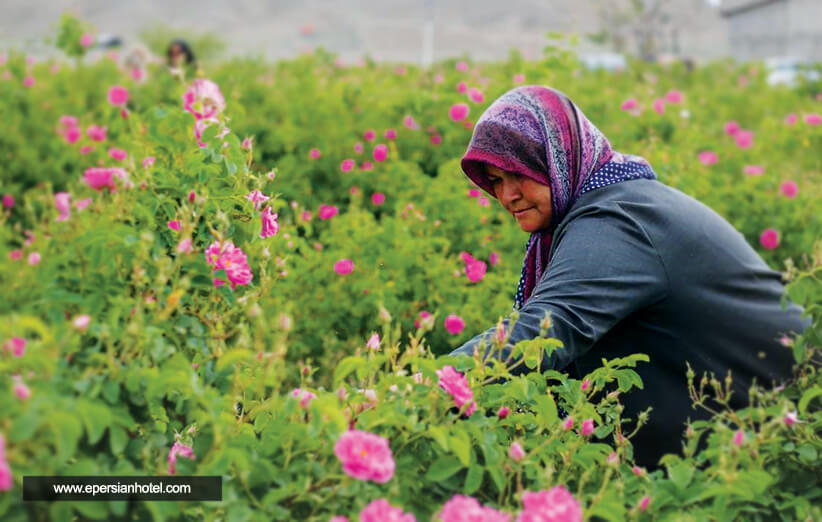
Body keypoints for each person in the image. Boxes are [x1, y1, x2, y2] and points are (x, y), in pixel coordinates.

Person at [449, 85, 811, 468]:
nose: (507, 196)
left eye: (516, 174)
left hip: (797, 422)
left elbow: (545, 328)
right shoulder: (611, 201)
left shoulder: (616, 222)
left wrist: (419, 388)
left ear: (555, 158)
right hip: (759, 422)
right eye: (495, 182)